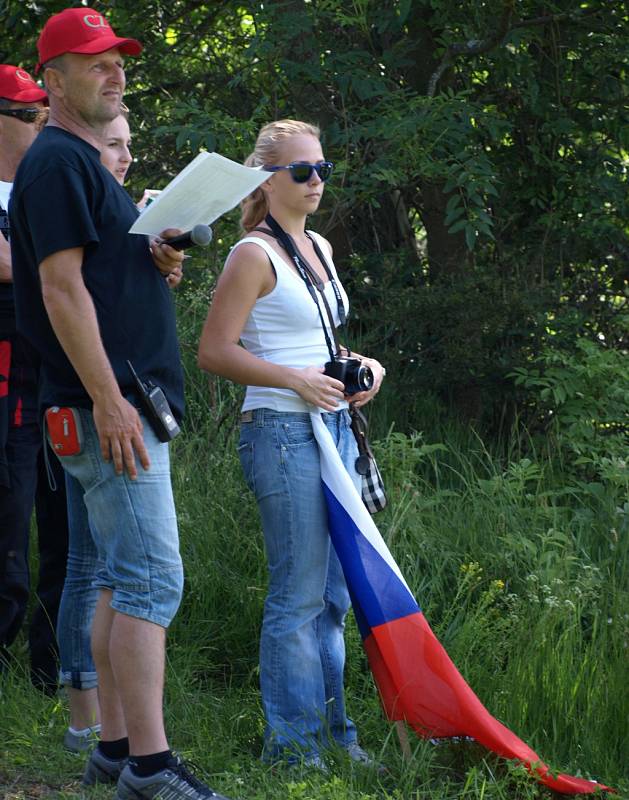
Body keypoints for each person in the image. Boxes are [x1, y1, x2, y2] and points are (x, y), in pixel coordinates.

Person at [9, 9, 230, 800]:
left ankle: (112, 749)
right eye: (94, 62)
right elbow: (58, 287)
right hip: (111, 409)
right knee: (148, 584)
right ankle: (150, 765)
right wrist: (107, 400)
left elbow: (95, 272)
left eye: (118, 62)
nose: (114, 73)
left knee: (111, 580)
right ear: (53, 79)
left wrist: (152, 254)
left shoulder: (81, 165)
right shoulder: (60, 162)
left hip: (117, 405)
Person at [197, 119, 385, 768]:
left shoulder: (321, 248)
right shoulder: (252, 253)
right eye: (301, 171)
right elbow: (213, 352)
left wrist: (365, 369)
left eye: (322, 170)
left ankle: (336, 737)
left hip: (330, 427)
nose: (314, 182)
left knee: (333, 597)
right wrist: (294, 381)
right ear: (268, 178)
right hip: (278, 431)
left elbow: (320, 347)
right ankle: (293, 751)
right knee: (299, 595)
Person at [0, 63, 71, 696]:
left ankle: (51, 667)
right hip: (7, 386)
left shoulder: (42, 190)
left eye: (47, 112)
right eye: (30, 115)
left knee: (62, 530)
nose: (44, 124)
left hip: (51, 380)